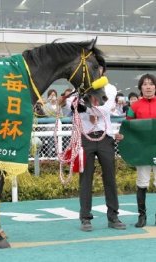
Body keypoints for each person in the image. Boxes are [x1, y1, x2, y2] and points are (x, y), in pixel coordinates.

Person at [65, 65, 126, 231]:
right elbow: (70, 103)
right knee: (85, 178)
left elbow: (105, 109)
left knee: (110, 177)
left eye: (97, 68)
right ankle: (85, 218)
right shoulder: (80, 88)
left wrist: (84, 108)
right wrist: (79, 106)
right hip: (85, 138)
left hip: (105, 137)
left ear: (103, 71)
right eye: (91, 67)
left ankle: (113, 216)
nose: (94, 71)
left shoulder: (109, 88)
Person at [126, 73, 156, 228]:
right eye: (145, 84)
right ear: (141, 88)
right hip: (142, 151)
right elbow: (128, 127)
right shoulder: (134, 107)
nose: (148, 86)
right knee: (142, 183)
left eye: (151, 84)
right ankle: (142, 217)